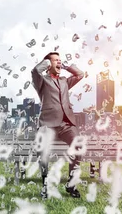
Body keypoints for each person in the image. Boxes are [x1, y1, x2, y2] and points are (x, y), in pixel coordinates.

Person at [31, 52, 84, 199]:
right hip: (47, 125)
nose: (59, 62)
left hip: (66, 124)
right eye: (56, 60)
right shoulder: (41, 81)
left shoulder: (64, 81)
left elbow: (80, 75)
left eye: (60, 60)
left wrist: (65, 66)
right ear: (48, 65)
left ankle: (71, 185)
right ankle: (45, 185)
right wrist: (47, 62)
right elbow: (35, 71)